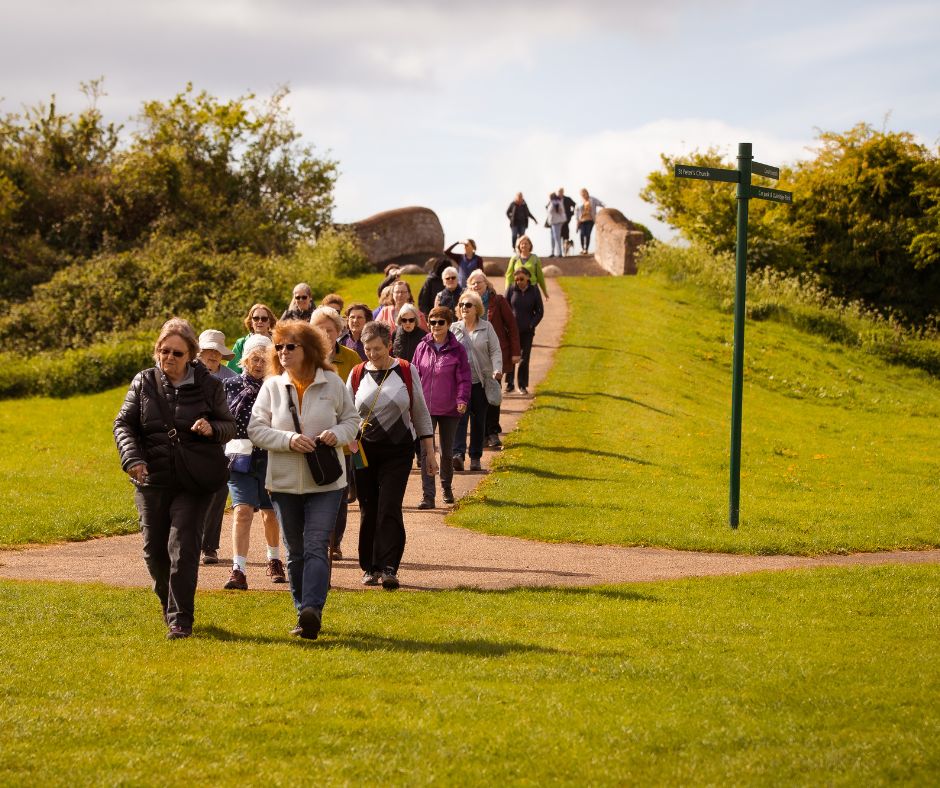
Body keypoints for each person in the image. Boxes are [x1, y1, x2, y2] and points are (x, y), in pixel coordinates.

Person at [113, 318, 235, 639]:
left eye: (177, 353)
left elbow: (229, 425)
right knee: (154, 552)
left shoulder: (210, 386)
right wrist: (133, 459)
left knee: (183, 549)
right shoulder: (144, 383)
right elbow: (124, 425)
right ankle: (171, 607)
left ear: (191, 355)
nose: (168, 358)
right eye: (163, 351)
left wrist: (213, 428)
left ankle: (181, 619)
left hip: (194, 482)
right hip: (152, 480)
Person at [248, 320, 359, 640]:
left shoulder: (333, 383)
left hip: (325, 483)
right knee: (295, 550)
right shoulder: (271, 387)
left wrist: (335, 434)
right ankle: (303, 613)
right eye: (278, 346)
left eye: (290, 346)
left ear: (308, 349)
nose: (282, 352)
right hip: (283, 483)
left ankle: (312, 609)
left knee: (315, 545)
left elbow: (352, 421)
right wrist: (287, 440)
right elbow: (255, 429)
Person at [347, 321, 436, 589]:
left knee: (389, 506)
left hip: (398, 450)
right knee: (368, 508)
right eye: (367, 348)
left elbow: (420, 412)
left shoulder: (407, 371)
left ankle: (389, 567)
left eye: (377, 348)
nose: (372, 354)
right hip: (364, 451)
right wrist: (347, 437)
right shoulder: (357, 373)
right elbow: (345, 412)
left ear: (389, 346)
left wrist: (429, 453)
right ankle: (369, 567)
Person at [221, 333, 286, 590]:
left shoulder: (277, 386)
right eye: (254, 359)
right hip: (240, 458)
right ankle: (238, 569)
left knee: (270, 513)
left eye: (263, 359)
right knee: (242, 511)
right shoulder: (231, 386)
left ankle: (274, 560)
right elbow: (225, 420)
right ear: (245, 360)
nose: (258, 364)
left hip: (270, 456)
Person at [311, 305, 362, 562]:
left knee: (340, 494)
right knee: (314, 491)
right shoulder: (305, 358)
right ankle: (317, 540)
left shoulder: (352, 358)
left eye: (329, 330)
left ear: (337, 331)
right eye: (320, 330)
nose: (325, 334)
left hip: (342, 440)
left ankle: (334, 542)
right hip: (312, 440)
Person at [411, 306, 471, 509]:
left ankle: (446, 487)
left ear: (448, 324)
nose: (435, 326)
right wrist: (411, 402)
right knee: (427, 452)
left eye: (440, 322)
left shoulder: (458, 350)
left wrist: (462, 399)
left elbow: (464, 378)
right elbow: (414, 375)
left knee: (446, 452)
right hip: (425, 409)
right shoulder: (422, 347)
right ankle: (428, 496)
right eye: (432, 321)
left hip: (449, 409)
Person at [196, 329, 238, 565]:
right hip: (192, 445)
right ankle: (189, 541)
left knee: (218, 494)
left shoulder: (231, 378)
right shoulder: (187, 374)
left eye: (215, 355)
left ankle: (209, 546)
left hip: (222, 444)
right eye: (207, 354)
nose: (211, 359)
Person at [466, 270, 520, 450]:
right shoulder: (465, 303)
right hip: (474, 357)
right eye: (472, 283)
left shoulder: (498, 301)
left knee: (493, 393)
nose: (476, 285)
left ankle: (493, 432)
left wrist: (514, 352)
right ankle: (481, 435)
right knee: (477, 398)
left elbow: (512, 326)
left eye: (479, 282)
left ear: (486, 284)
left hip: (495, 354)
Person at [450, 290, 502, 473]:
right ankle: (457, 455)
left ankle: (475, 457)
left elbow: (495, 350)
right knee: (459, 419)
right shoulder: (454, 328)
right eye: (462, 305)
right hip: (460, 384)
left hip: (481, 382)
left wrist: (497, 369)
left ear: (477, 308)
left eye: (468, 305)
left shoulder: (486, 327)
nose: (464, 308)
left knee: (479, 421)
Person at [505, 267, 544, 396]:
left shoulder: (534, 291)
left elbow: (539, 311)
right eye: (516, 279)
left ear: (528, 278)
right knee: (511, 357)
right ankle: (509, 384)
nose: (519, 282)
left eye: (522, 279)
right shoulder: (511, 289)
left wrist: (532, 324)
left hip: (527, 331)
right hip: (512, 331)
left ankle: (522, 385)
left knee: (524, 358)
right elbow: (505, 308)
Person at [227, 303, 277, 372]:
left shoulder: (278, 342)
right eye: (256, 318)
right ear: (251, 322)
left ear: (269, 322)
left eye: (264, 319)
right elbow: (232, 372)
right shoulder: (241, 343)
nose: (260, 321)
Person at [504, 235, 550, 301]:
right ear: (519, 246)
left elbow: (540, 276)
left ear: (530, 245)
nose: (524, 245)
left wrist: (545, 292)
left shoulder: (535, 259)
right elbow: (509, 276)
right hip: (517, 289)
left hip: (532, 289)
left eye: (526, 244)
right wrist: (507, 291)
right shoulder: (514, 259)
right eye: (522, 244)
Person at [577, 188, 606, 254]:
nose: (583, 194)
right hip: (581, 220)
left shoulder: (592, 199)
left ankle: (586, 249)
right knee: (582, 234)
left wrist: (605, 207)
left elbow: (600, 203)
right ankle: (582, 248)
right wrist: (577, 221)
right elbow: (577, 211)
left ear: (587, 193)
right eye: (582, 194)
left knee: (587, 234)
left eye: (584, 193)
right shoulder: (580, 201)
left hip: (590, 219)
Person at [546, 192, 567, 257]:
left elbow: (559, 211)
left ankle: (559, 253)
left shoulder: (556, 202)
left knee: (557, 237)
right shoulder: (554, 202)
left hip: (556, 222)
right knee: (552, 237)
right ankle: (553, 252)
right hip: (553, 222)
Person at [558, 187, 577, 255]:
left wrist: (572, 213)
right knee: (558, 237)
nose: (559, 193)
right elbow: (547, 206)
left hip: (566, 221)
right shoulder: (555, 199)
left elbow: (575, 204)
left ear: (563, 192)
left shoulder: (567, 199)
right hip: (558, 222)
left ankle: (566, 251)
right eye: (558, 192)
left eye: (561, 192)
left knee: (566, 236)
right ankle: (559, 252)